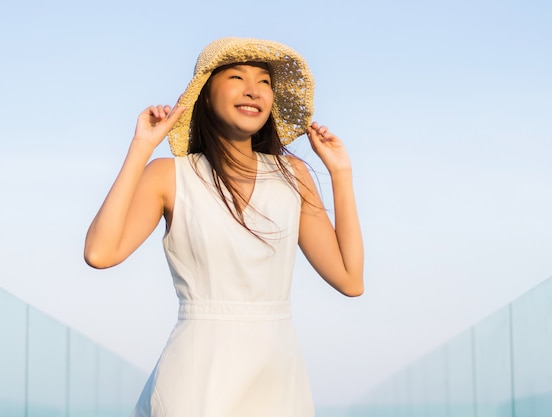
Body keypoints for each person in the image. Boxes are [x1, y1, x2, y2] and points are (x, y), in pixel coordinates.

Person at [84, 37, 364, 417]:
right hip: (197, 373)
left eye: (264, 82)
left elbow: (350, 279)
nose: (253, 90)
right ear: (205, 94)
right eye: (236, 77)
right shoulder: (170, 175)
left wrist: (341, 173)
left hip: (278, 376)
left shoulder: (293, 175)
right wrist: (141, 148)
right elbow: (100, 253)